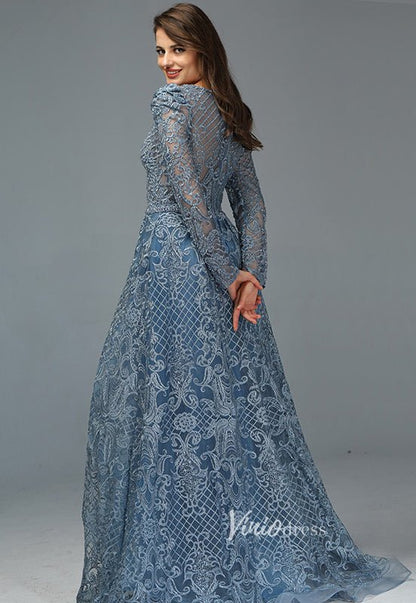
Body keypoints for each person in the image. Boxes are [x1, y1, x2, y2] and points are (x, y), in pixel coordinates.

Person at [76, 3, 412, 602]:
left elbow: (189, 199)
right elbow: (250, 206)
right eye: (159, 51)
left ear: (203, 47)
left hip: (173, 266)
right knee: (225, 411)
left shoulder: (171, 106)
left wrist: (237, 276)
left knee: (170, 410)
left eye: (177, 49)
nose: (166, 63)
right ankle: (237, 543)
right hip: (221, 269)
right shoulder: (230, 113)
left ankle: (191, 556)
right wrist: (248, 275)